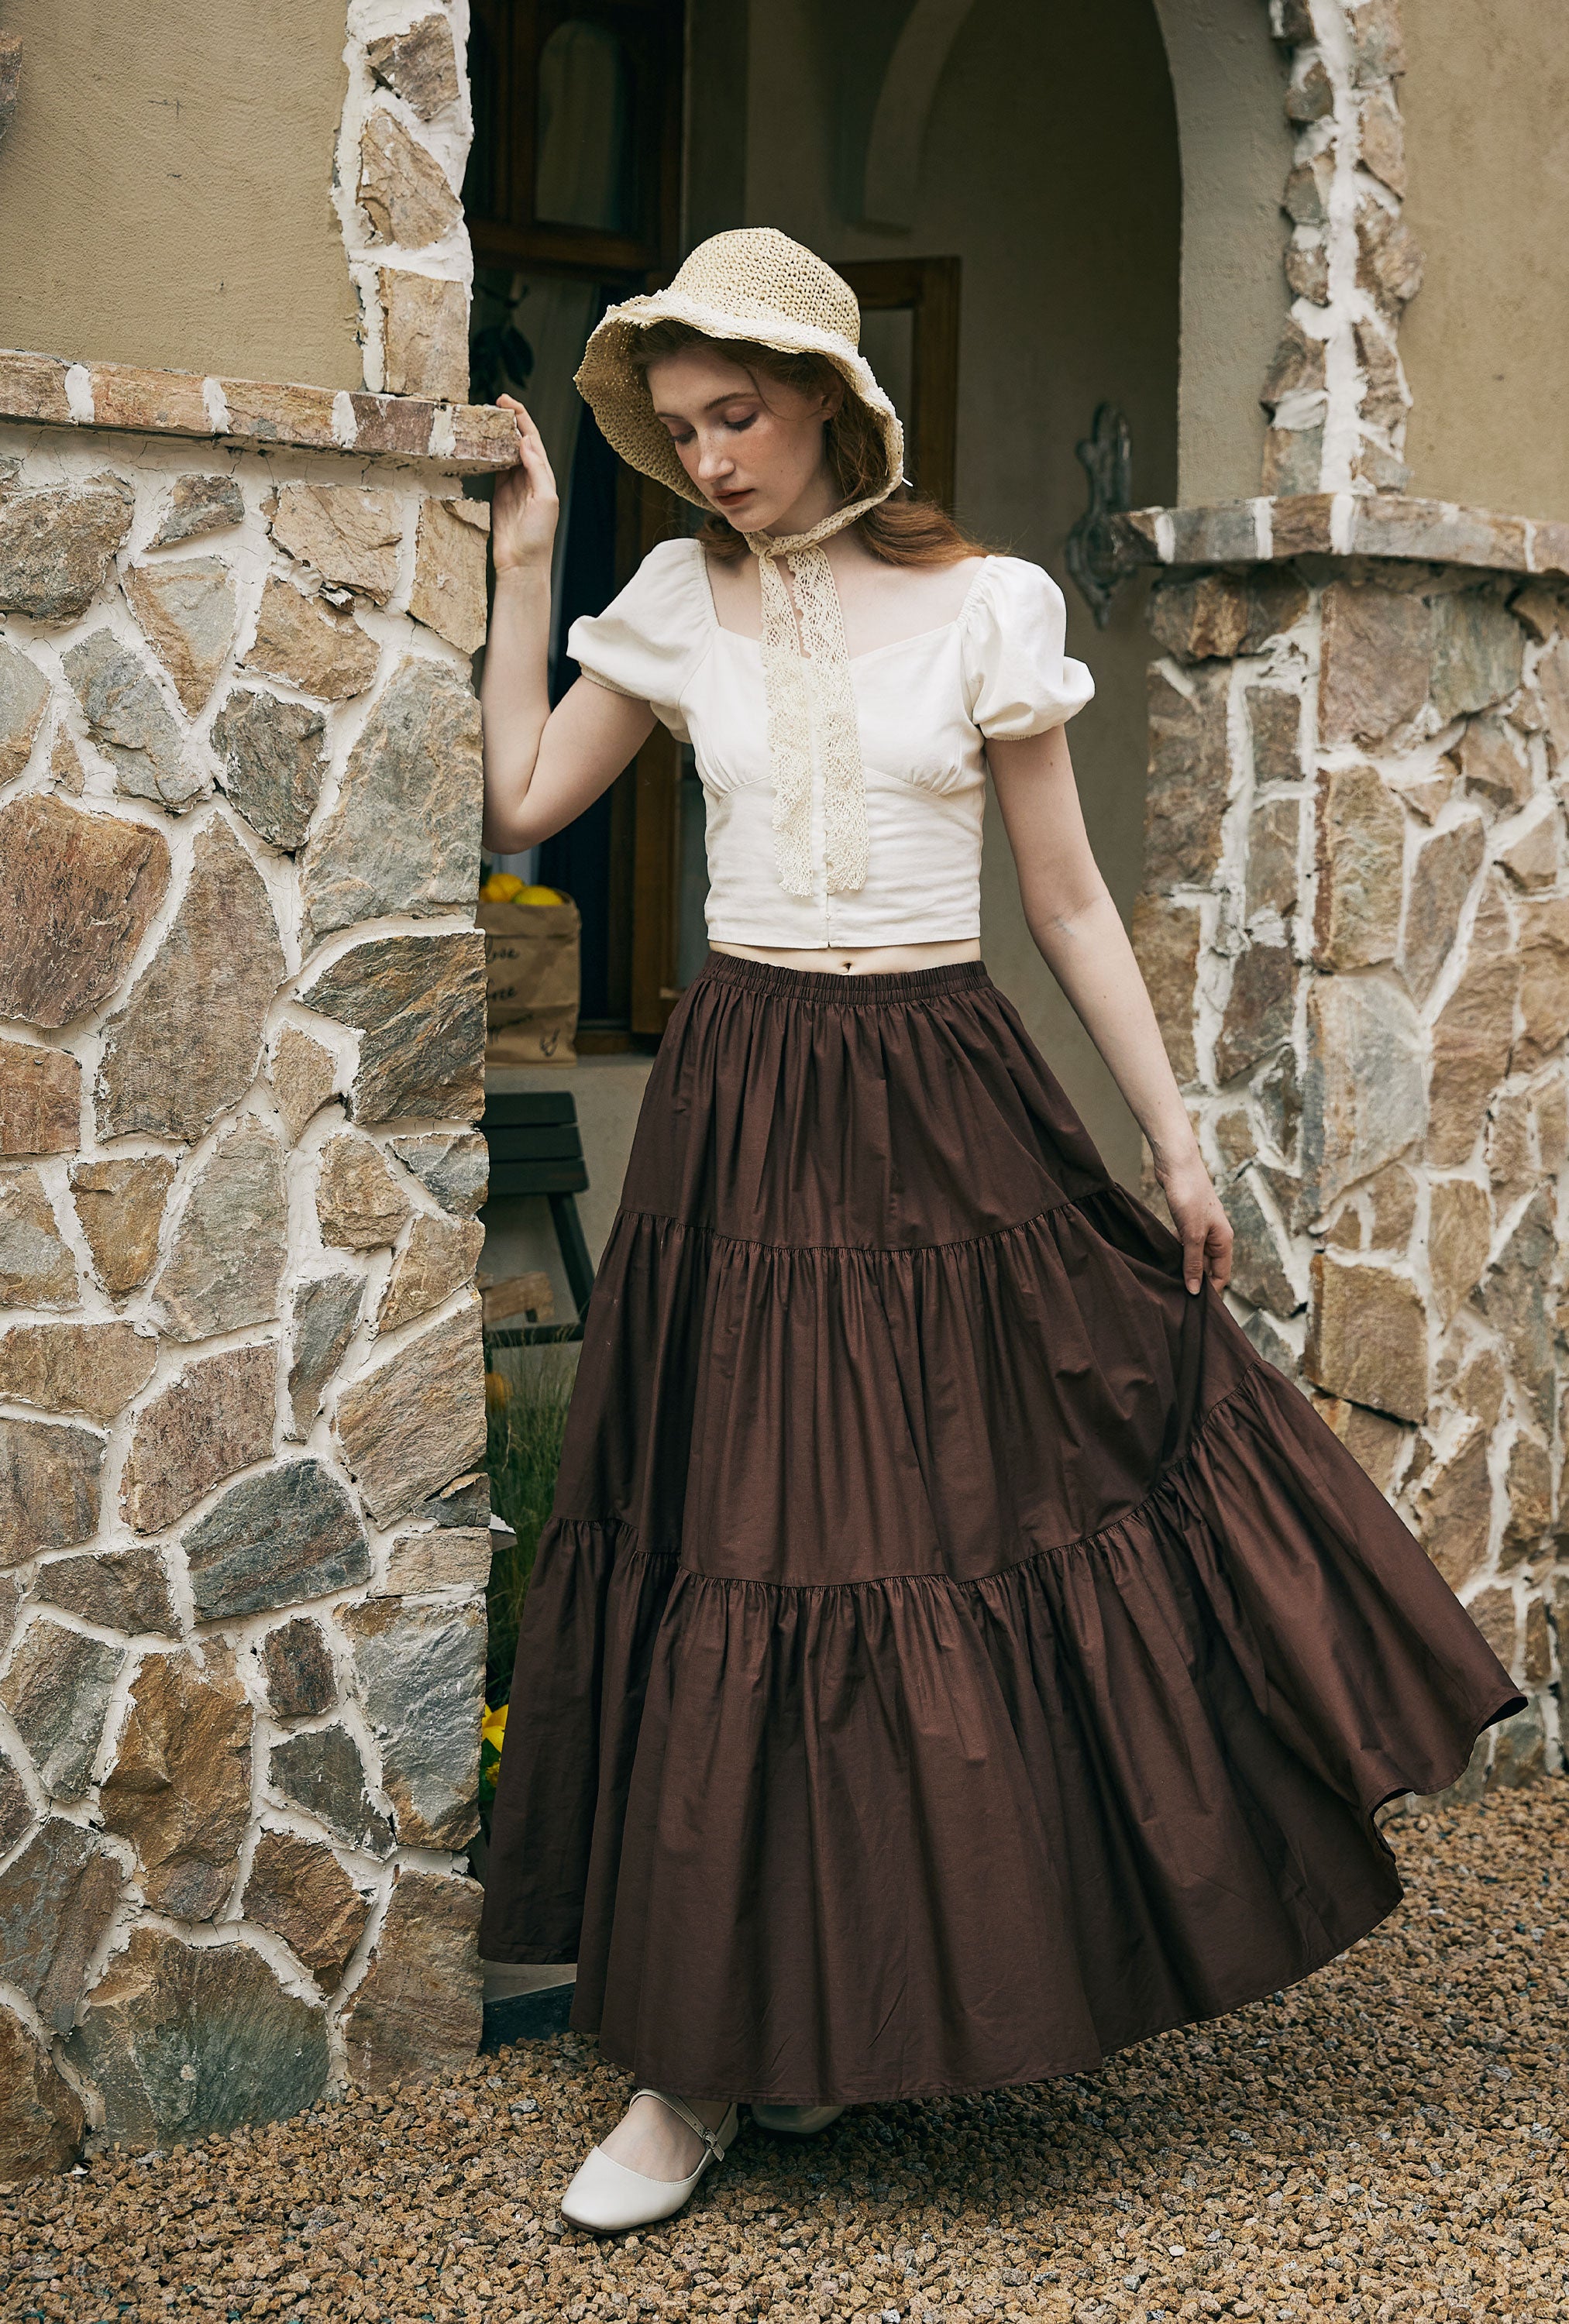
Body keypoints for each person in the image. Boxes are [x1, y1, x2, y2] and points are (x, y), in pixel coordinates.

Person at [476, 229, 1519, 2234]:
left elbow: (1063, 900)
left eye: (739, 416)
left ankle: (830, 2023)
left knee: (941, 1530)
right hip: (742, 1110)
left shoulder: (987, 607)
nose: (712, 458)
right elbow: (522, 796)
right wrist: (530, 561)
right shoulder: (672, 600)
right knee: (741, 1542)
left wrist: (1174, 1144)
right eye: (682, 429)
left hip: (940, 1104)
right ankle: (695, 2069)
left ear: (827, 403)